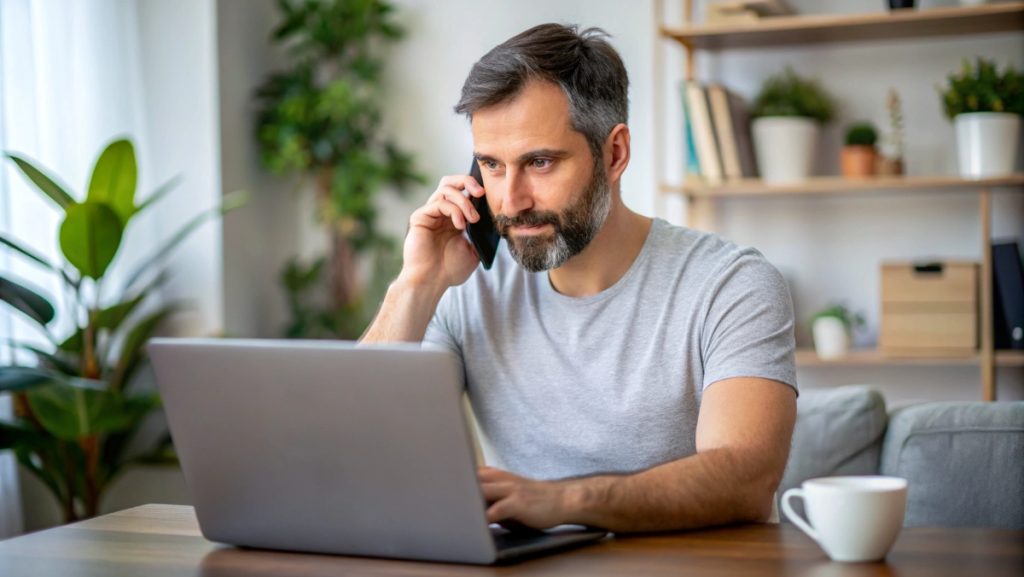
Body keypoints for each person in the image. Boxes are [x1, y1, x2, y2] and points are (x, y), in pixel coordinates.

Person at [362, 23, 797, 533]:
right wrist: (417, 283)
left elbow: (745, 479)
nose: (510, 200)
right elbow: (353, 440)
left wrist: (564, 502)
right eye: (491, 166)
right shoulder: (468, 286)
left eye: (539, 162)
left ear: (614, 154)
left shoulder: (731, 285)